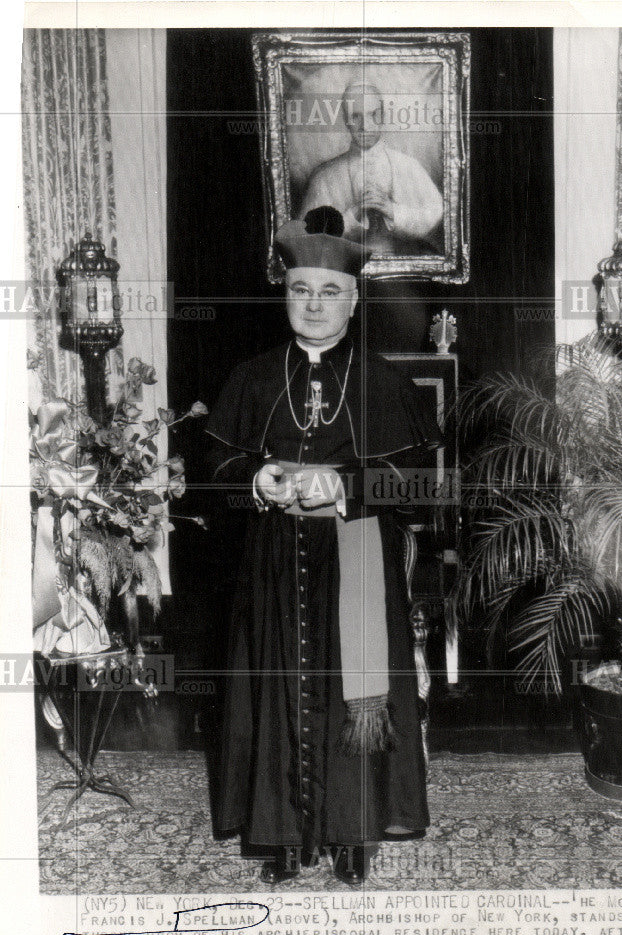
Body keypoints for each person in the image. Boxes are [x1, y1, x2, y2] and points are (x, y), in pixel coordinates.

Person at [204, 205, 442, 886]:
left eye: (329, 291)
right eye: (300, 289)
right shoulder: (249, 378)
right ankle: (276, 835)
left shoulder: (387, 384)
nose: (314, 304)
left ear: (354, 298)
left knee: (351, 699)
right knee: (271, 689)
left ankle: (351, 833)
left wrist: (340, 488)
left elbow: (422, 485)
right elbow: (209, 475)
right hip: (272, 566)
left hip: (355, 558)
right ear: (284, 293)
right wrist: (256, 479)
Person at [298, 82, 444, 255]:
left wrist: (391, 210)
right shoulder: (324, 177)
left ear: (382, 116)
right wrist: (352, 216)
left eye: (373, 115)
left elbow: (435, 211)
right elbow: (307, 236)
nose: (365, 126)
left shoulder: (409, 166)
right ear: (346, 120)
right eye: (356, 116)